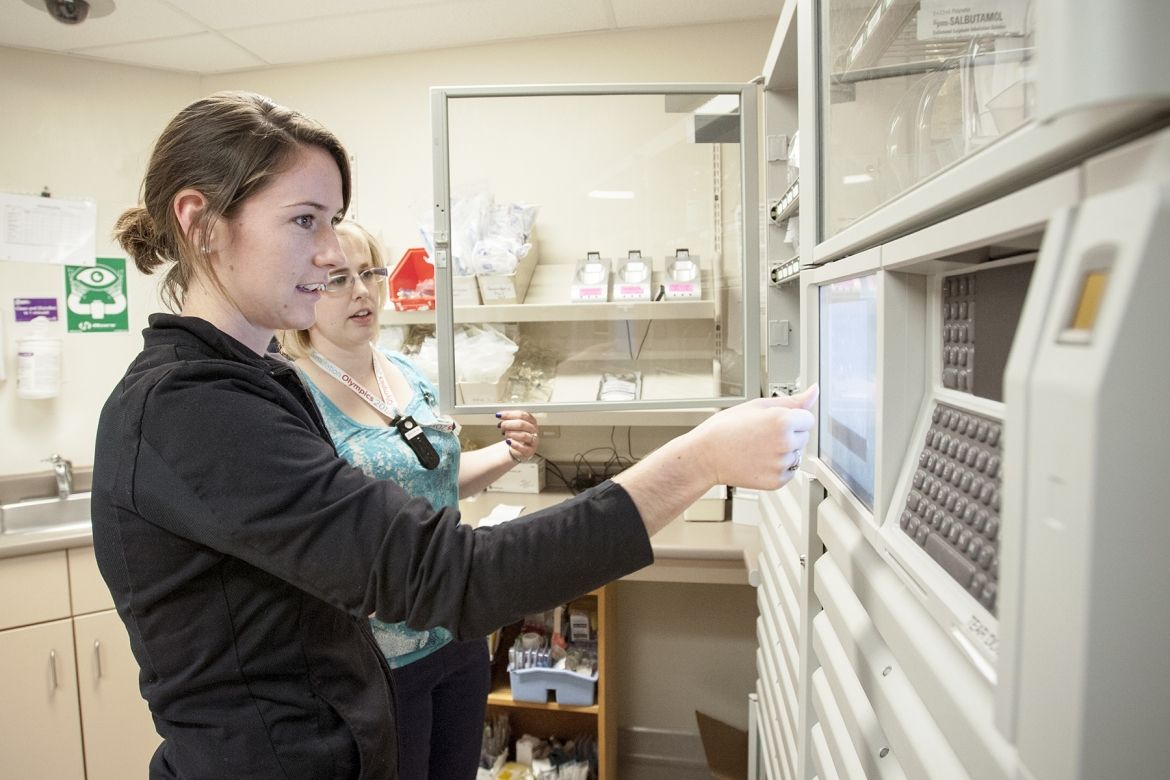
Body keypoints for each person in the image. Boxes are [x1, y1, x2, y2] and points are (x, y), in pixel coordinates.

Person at [94, 90, 817, 779]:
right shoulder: (190, 408)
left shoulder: (259, 379)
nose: (329, 252)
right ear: (200, 222)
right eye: (304, 220)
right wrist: (698, 460)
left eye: (334, 218)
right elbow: (452, 576)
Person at [282, 219, 540, 778]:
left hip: (455, 629)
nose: (361, 291)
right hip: (378, 655)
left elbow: (436, 480)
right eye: (338, 279)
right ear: (302, 290)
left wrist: (508, 453)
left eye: (370, 273)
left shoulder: (403, 371)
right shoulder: (293, 394)